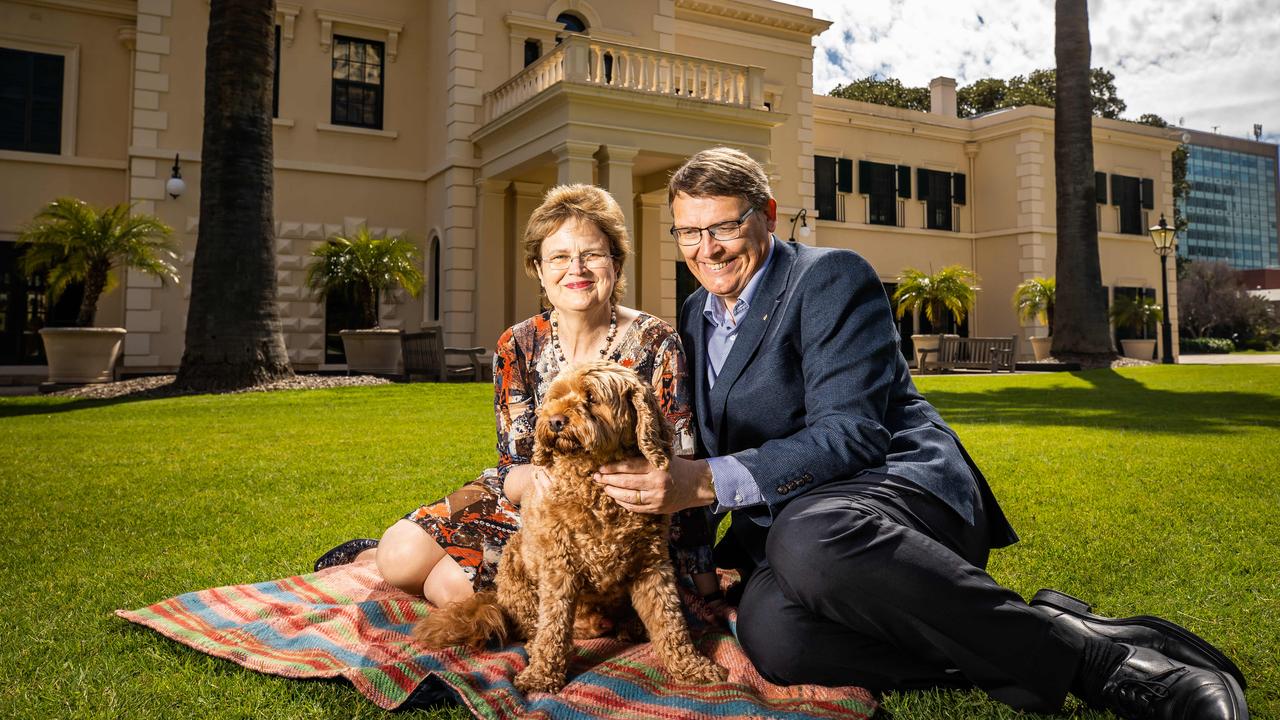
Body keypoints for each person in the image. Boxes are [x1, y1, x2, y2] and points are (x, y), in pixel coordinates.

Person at [592, 147, 1248, 719]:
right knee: (778, 640)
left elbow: (850, 434)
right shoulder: (693, 314)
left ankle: (1105, 668)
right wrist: (703, 559)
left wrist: (703, 484)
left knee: (809, 536)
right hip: (797, 539)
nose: (706, 250)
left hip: (896, 498)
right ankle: (1039, 632)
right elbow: (699, 441)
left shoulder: (828, 277)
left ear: (766, 212)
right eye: (688, 233)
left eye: (724, 226)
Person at [315, 184, 718, 612]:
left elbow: (677, 464)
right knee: (399, 557)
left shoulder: (657, 342)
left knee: (451, 591)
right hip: (530, 497)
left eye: (593, 255)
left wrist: (703, 576)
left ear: (616, 264)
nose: (576, 269)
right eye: (559, 257)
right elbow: (513, 465)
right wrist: (543, 485)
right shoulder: (517, 345)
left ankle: (446, 573)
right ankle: (369, 555)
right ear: (539, 270)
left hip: (611, 519)